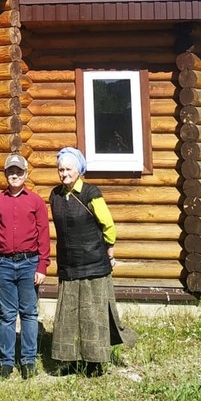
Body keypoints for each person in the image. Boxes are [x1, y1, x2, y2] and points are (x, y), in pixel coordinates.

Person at [49, 146, 135, 376]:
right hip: (69, 264)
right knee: (69, 315)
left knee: (92, 315)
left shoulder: (91, 193)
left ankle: (94, 364)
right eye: (60, 169)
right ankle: (69, 360)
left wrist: (109, 249)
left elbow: (108, 225)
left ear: (78, 170)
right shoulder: (55, 195)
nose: (63, 173)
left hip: (93, 264)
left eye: (68, 169)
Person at [0, 153, 51, 380]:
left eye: (18, 172)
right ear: (5, 175)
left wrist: (42, 266)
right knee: (7, 315)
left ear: (25, 174)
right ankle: (6, 362)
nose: (14, 175)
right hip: (2, 264)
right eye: (11, 172)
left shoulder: (36, 202)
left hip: (29, 263)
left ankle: (29, 361)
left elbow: (43, 235)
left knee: (29, 314)